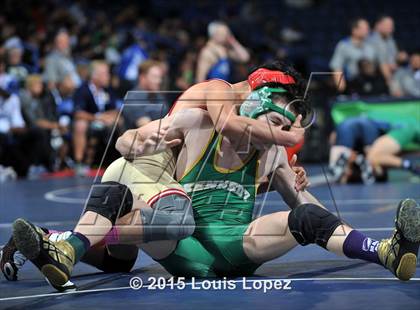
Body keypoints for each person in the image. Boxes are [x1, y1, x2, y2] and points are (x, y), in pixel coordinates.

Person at [11, 70, 420, 287]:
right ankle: (68, 248)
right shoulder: (198, 122)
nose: (276, 133)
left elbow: (306, 207)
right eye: (274, 121)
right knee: (138, 202)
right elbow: (124, 143)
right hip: (183, 245)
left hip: (239, 248)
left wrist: (341, 229)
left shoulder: (273, 153)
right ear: (255, 108)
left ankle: (384, 251)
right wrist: (141, 138)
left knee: (305, 220)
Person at [72, 60, 118, 175]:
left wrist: (109, 117)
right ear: (95, 76)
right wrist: (97, 118)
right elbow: (78, 113)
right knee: (80, 124)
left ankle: (119, 161)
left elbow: (115, 109)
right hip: (90, 121)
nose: (108, 77)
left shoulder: (108, 89)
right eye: (105, 74)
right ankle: (79, 162)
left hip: (105, 122)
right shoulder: (82, 90)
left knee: (120, 120)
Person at [329, 18, 376, 93]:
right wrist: (341, 88)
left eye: (368, 28)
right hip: (352, 86)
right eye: (365, 28)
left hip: (371, 84)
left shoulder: (370, 46)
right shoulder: (344, 45)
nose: (368, 30)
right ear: (354, 30)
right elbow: (336, 66)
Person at [122, 60, 168, 129]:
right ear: (142, 78)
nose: (159, 81)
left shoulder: (158, 96)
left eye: (160, 77)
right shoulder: (132, 98)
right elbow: (147, 127)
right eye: (155, 77)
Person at [368, 15, 399, 86]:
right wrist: (391, 83)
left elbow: (395, 56)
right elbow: (381, 62)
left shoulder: (390, 39)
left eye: (392, 25)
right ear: (378, 25)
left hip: (394, 71)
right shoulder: (371, 40)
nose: (392, 28)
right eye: (388, 25)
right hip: (378, 75)